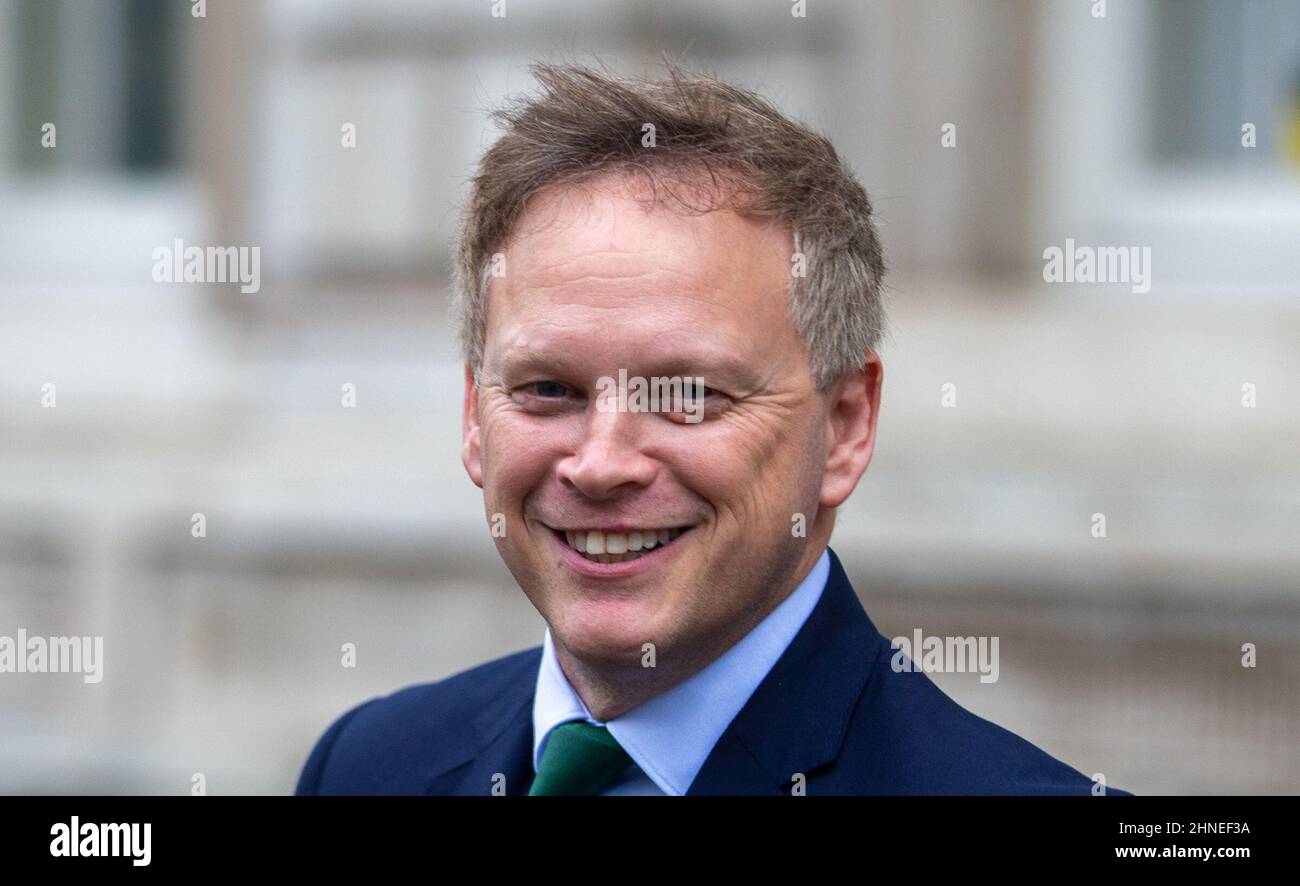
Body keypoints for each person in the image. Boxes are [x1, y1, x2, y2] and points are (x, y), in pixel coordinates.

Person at [295, 61, 1131, 796]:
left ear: (844, 427)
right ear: (474, 414)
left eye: (688, 395)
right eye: (550, 388)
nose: (601, 464)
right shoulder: (367, 767)